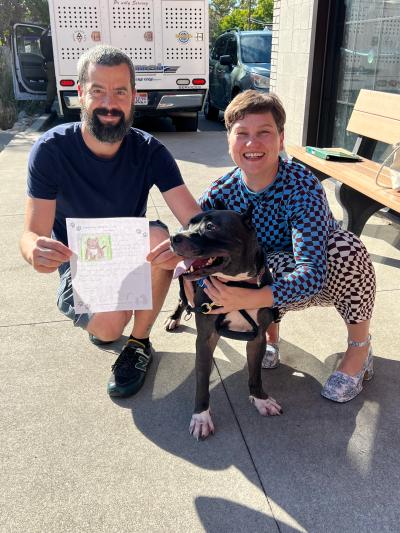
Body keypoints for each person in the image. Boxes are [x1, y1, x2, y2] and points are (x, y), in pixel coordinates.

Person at [20, 45, 200, 398]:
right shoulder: (51, 150)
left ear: (134, 96)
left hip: (131, 251)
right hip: (80, 261)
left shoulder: (150, 150)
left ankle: (140, 343)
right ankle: (108, 316)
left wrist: (194, 257)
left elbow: (192, 218)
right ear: (80, 94)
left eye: (120, 91)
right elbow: (32, 233)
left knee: (162, 240)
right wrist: (34, 252)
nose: (109, 103)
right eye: (98, 90)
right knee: (107, 330)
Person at [179, 90, 376, 403]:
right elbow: (189, 241)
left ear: (281, 139)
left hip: (317, 274)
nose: (252, 144)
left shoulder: (302, 187)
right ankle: (267, 335)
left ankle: (359, 349)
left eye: (264, 133)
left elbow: (310, 274)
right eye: (242, 134)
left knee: (346, 248)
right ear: (228, 140)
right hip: (261, 272)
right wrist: (193, 278)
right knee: (261, 263)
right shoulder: (220, 192)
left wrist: (251, 296)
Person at [39, 27, 56, 113]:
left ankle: (48, 106)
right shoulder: (58, 29)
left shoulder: (44, 32)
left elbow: (41, 48)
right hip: (61, 60)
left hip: (50, 62)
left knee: (52, 84)